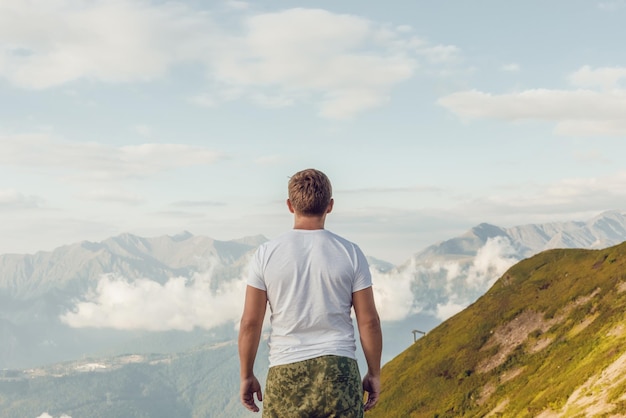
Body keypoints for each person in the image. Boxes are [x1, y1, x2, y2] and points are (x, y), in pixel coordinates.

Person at [238, 168, 382, 417]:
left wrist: (246, 375)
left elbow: (250, 324)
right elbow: (368, 322)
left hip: (285, 371)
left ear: (289, 206)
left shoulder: (265, 254)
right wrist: (374, 373)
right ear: (330, 206)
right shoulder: (351, 252)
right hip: (340, 371)